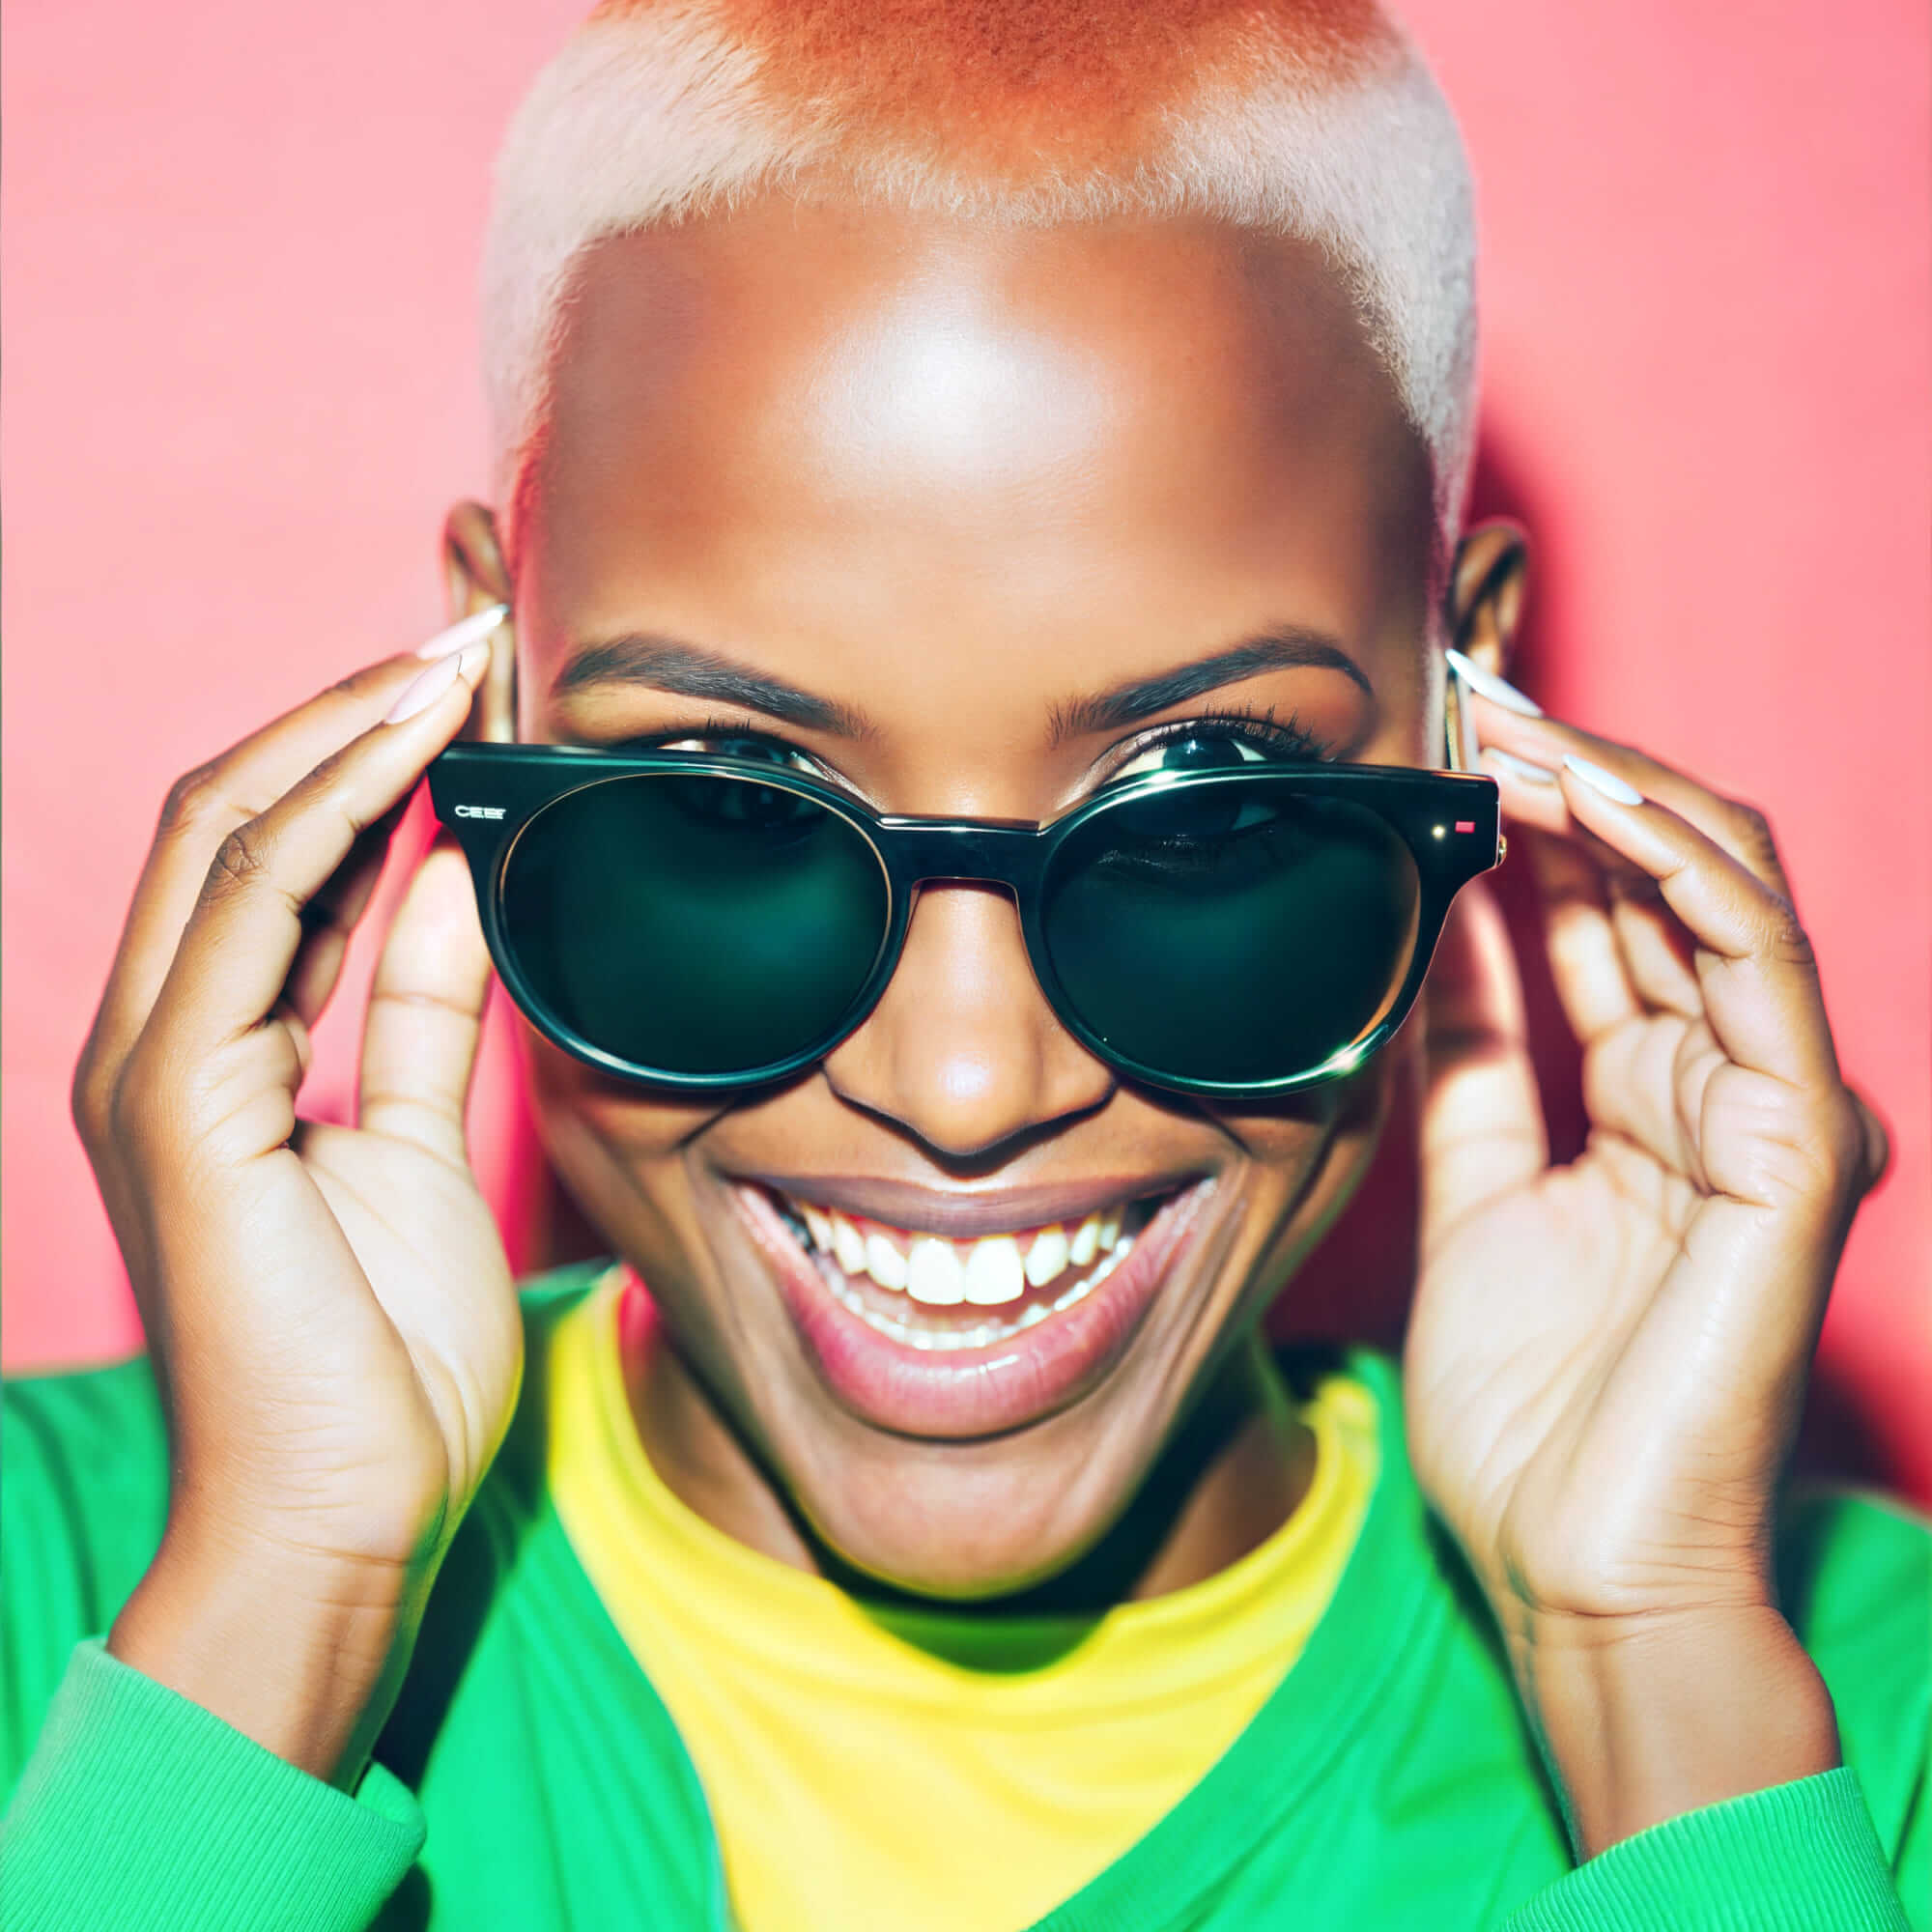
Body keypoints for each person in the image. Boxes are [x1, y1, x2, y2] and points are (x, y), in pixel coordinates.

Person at [2, 2, 1925, 1926]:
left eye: (1201, 814)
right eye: (733, 803)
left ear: (1468, 703)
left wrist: (1652, 1678)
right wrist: (277, 1615)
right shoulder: (62, 1596)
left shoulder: (1838, 1734)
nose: (967, 1082)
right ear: (490, 683)